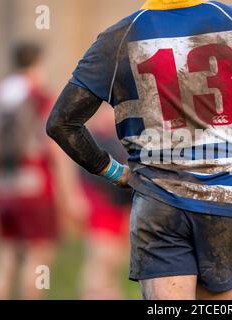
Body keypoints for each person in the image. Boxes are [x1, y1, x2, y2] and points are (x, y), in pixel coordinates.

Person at [47, 0, 232, 300]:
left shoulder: (117, 38)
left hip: (157, 202)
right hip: (228, 200)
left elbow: (61, 123)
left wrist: (114, 172)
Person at [0, 43, 87, 300]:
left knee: (6, 257)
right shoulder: (38, 96)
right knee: (38, 258)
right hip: (35, 187)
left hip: (5, 185)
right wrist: (71, 195)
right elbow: (54, 149)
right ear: (39, 62)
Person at [79, 105, 133, 300]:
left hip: (117, 209)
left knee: (112, 266)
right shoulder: (96, 141)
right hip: (103, 208)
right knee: (101, 263)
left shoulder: (118, 142)